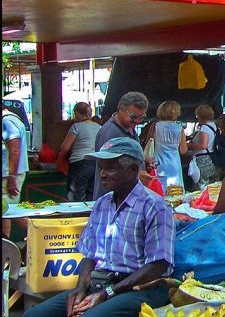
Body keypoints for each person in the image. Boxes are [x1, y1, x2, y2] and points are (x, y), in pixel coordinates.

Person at [23, 137, 174, 317]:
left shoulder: (154, 206)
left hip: (141, 287)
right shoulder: (102, 203)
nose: (102, 173)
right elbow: (90, 255)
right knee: (35, 315)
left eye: (110, 167)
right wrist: (80, 289)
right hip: (102, 283)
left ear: (133, 169)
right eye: (101, 167)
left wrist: (107, 293)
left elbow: (158, 265)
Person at [92, 91, 148, 200]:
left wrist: (144, 160)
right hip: (111, 199)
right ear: (120, 109)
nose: (137, 121)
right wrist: (136, 175)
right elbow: (107, 166)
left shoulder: (129, 128)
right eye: (133, 116)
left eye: (141, 117)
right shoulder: (110, 132)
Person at [60, 102, 101, 202]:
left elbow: (64, 148)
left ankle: (76, 216)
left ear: (78, 113)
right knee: (91, 196)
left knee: (76, 197)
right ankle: (89, 216)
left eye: (75, 114)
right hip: (95, 164)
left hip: (79, 164)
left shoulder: (76, 127)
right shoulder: (99, 127)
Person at [151, 101, 188, 193]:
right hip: (174, 162)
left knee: (159, 188)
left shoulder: (155, 126)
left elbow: (149, 143)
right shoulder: (180, 128)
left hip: (158, 161)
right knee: (175, 190)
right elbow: (183, 150)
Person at [2, 108, 29, 238]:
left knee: (8, 211)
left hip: (9, 176)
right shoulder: (10, 120)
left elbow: (14, 151)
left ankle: (41, 232)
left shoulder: (7, 121)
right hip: (9, 174)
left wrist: (11, 177)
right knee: (6, 212)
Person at [187, 104, 218, 188]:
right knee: (211, 186)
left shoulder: (204, 128)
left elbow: (203, 145)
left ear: (201, 116)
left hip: (202, 159)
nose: (197, 118)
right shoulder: (214, 125)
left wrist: (190, 145)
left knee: (201, 185)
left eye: (197, 115)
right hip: (211, 158)